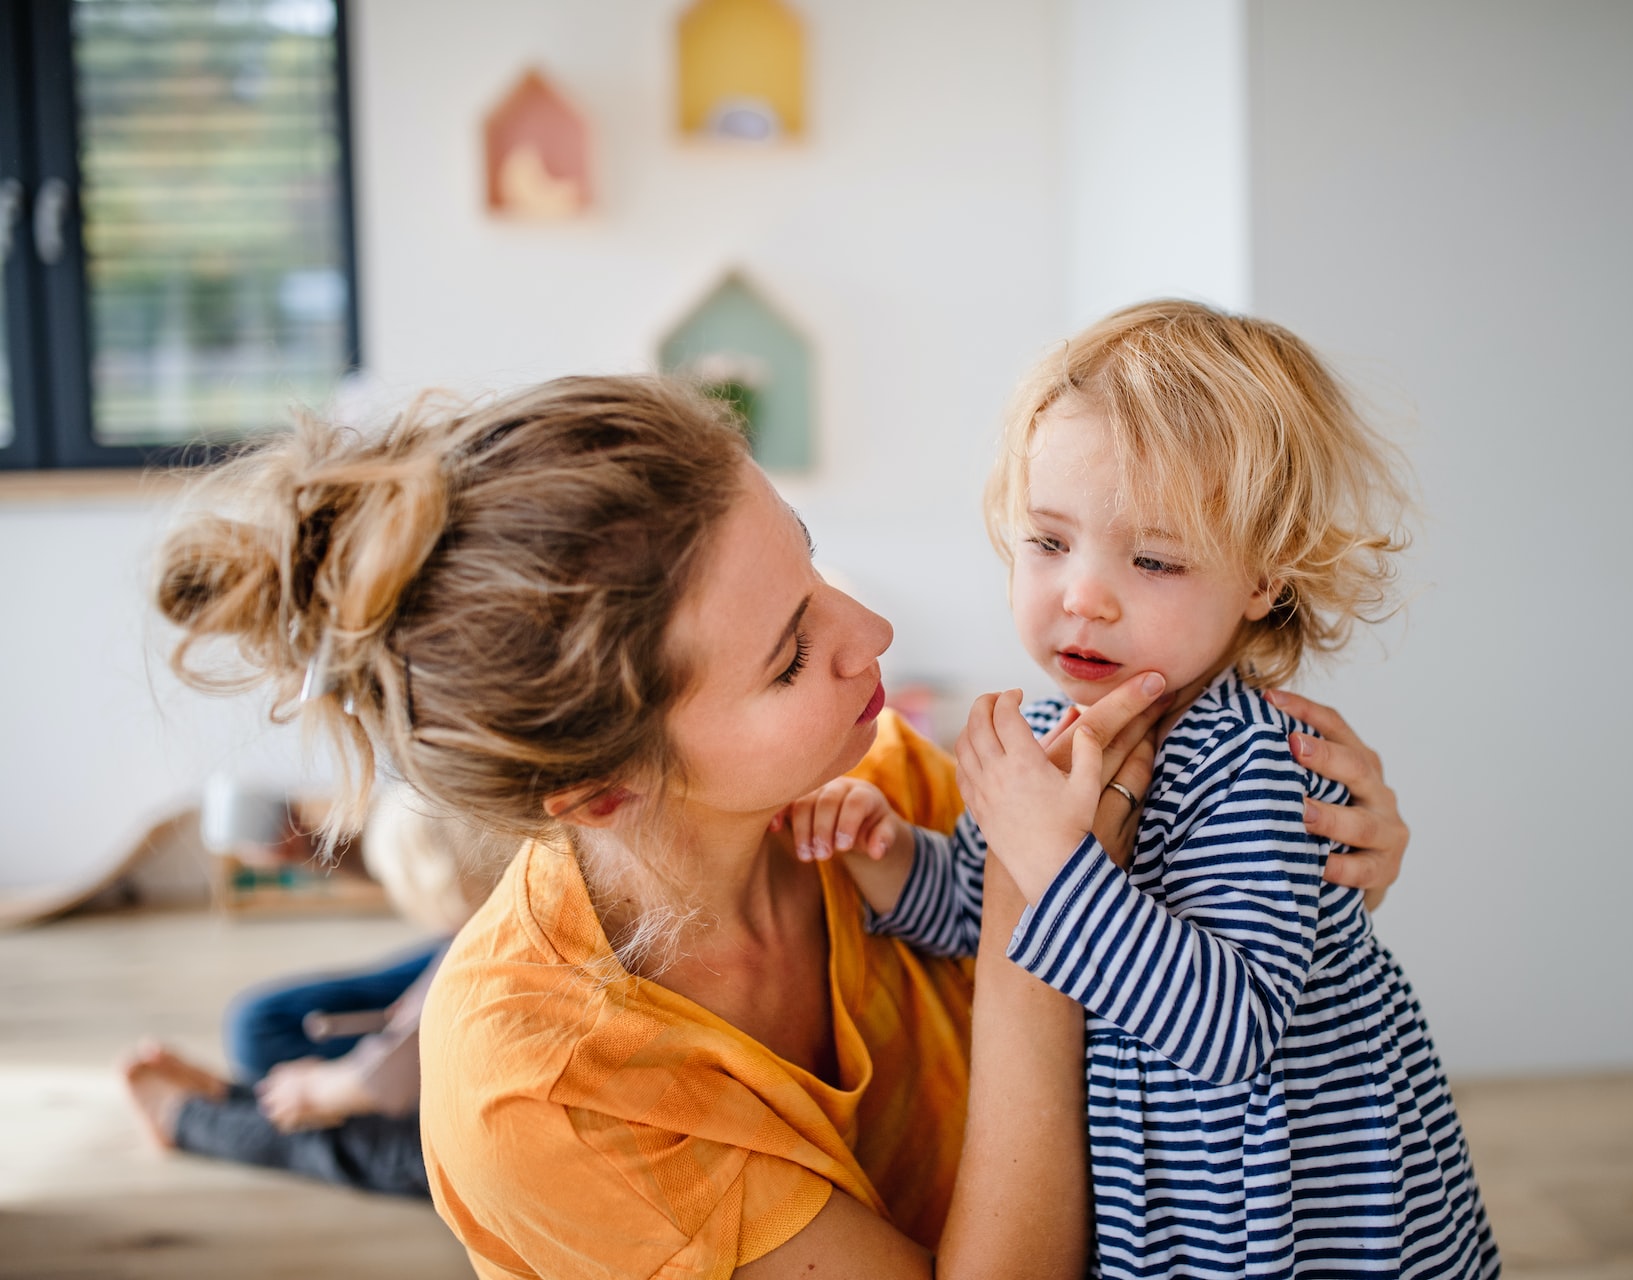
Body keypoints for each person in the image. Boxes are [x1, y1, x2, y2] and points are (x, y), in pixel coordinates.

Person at [150, 373, 1413, 1277]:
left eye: (812, 565)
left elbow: (1209, 973)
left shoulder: (890, 789)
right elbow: (1044, 922)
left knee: (272, 1026)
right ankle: (223, 1118)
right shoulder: (547, 1093)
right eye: (791, 651)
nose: (871, 634)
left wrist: (1314, 858)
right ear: (603, 791)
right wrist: (1047, 902)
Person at [787, 302, 1498, 1277]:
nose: (1084, 593)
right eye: (1047, 541)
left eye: (1153, 558)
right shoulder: (1051, 733)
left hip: (1291, 1201)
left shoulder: (1254, 760)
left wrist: (1050, 850)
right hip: (1161, 1188)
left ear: (1262, 577)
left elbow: (1233, 1025)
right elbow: (994, 914)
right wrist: (895, 851)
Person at [123, 786, 513, 1198]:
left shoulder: (486, 963)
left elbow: (384, 1078)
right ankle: (248, 1100)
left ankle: (189, 1119)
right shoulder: (494, 901)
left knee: (409, 1150)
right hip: (450, 984)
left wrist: (316, 1090)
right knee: (258, 1027)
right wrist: (312, 846)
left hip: (490, 1118)